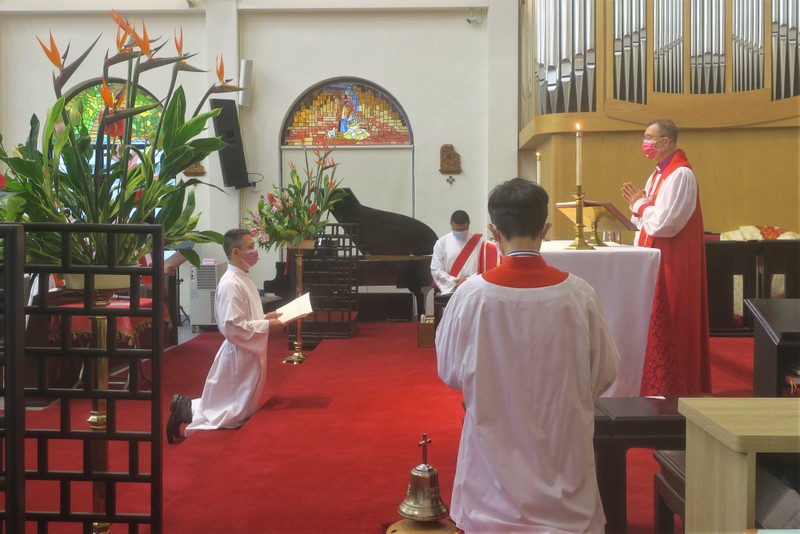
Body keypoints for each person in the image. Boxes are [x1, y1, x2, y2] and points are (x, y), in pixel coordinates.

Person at [436, 178, 620, 533]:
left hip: (489, 493)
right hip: (565, 480)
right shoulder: (579, 294)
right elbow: (605, 373)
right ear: (545, 229)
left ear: (493, 232)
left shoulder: (470, 296)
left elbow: (450, 372)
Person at [621, 118, 711, 396]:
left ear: (666, 141)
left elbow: (665, 224)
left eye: (650, 137)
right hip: (655, 257)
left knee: (673, 319)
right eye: (645, 136)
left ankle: (675, 387)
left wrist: (640, 205)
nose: (645, 142)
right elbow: (646, 221)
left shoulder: (680, 174)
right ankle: (656, 383)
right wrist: (640, 208)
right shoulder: (657, 174)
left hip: (674, 261)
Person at [166, 228, 283, 443]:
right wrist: (266, 326)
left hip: (245, 350)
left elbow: (245, 316)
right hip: (239, 353)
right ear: (236, 252)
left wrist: (266, 318)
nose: (255, 251)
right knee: (229, 412)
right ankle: (185, 409)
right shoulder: (231, 283)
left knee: (230, 404)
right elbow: (232, 325)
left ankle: (184, 406)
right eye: (250, 247)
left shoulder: (242, 277)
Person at [430, 210, 485, 294]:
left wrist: (468, 280)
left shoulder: (480, 242)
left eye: (464, 229)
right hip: (451, 290)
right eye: (457, 230)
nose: (461, 232)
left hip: (474, 289)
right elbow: (436, 269)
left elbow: (485, 267)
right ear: (451, 225)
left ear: (469, 224)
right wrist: (454, 282)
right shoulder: (441, 243)